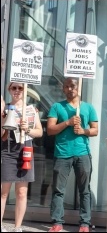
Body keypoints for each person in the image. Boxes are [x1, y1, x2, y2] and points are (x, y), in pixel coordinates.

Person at [46, 77, 98, 232]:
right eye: (67, 86)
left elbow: (95, 130)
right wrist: (67, 123)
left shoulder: (88, 108)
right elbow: (50, 130)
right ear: (63, 89)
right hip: (62, 153)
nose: (70, 89)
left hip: (83, 154)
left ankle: (85, 224)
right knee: (58, 190)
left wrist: (83, 131)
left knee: (85, 190)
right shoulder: (57, 107)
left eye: (73, 86)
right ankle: (57, 222)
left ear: (78, 88)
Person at [1, 82, 43, 232]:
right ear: (9, 90)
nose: (17, 91)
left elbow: (39, 132)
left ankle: (17, 227)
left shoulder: (31, 110)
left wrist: (28, 129)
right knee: (3, 191)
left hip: (25, 150)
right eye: (14, 88)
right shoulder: (4, 109)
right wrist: (3, 117)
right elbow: (1, 136)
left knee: (22, 191)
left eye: (20, 88)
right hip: (7, 150)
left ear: (25, 90)